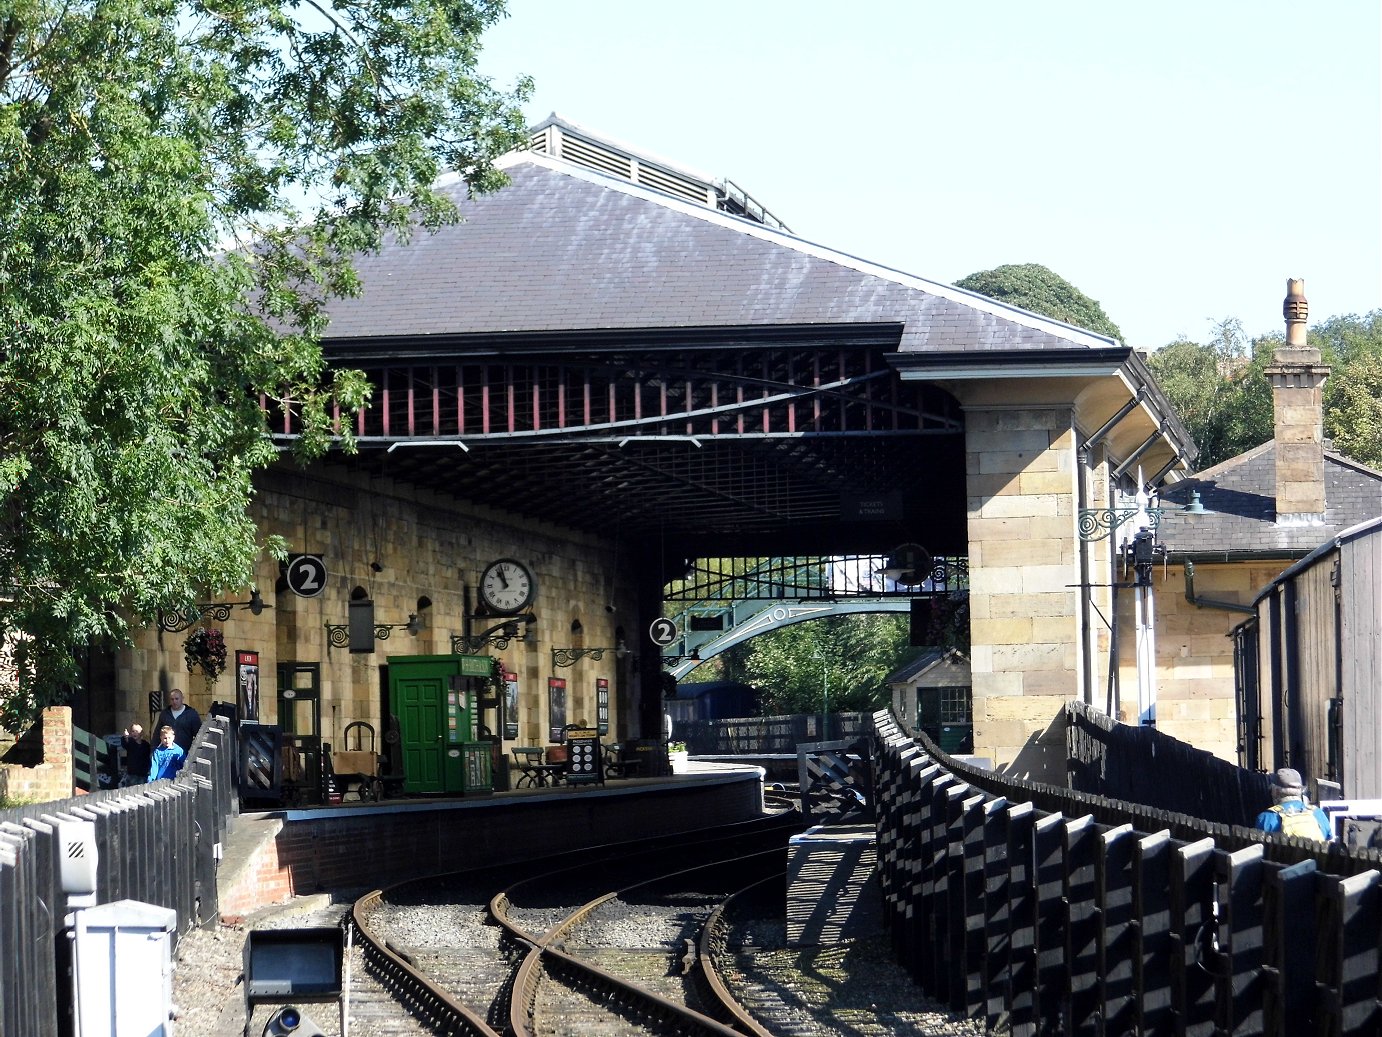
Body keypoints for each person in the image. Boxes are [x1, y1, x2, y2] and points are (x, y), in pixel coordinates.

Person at [1254, 767, 1332, 840]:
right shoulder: (1318, 813)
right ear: (1301, 791)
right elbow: (1328, 838)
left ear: (1276, 791)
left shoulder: (1266, 817)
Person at [155, 687, 202, 753]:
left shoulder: (191, 714)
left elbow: (199, 735)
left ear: (182, 699)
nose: (174, 701)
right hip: (167, 753)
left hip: (185, 753)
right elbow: (157, 734)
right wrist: (153, 751)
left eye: (177, 699)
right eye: (172, 699)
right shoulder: (165, 714)